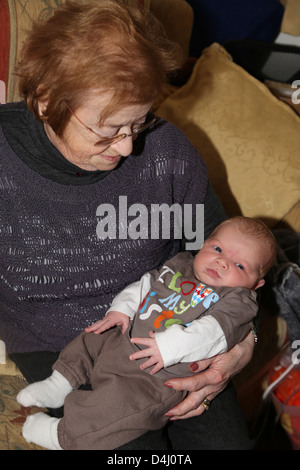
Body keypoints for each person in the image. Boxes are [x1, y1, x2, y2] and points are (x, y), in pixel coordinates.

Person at [0, 0, 255, 450]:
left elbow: (232, 256)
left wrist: (240, 346)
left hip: (175, 330)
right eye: (107, 131)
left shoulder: (167, 154)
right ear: (44, 99)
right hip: (61, 345)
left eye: (138, 122)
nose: (127, 148)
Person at [17, 216, 277, 450]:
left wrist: (168, 348)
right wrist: (121, 309)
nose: (221, 262)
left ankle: (62, 436)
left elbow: (211, 332)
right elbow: (147, 284)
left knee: (117, 411)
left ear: (257, 284)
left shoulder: (237, 301)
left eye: (240, 265)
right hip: (125, 336)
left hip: (156, 377)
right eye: (217, 249)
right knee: (91, 338)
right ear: (205, 242)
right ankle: (60, 382)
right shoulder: (183, 263)